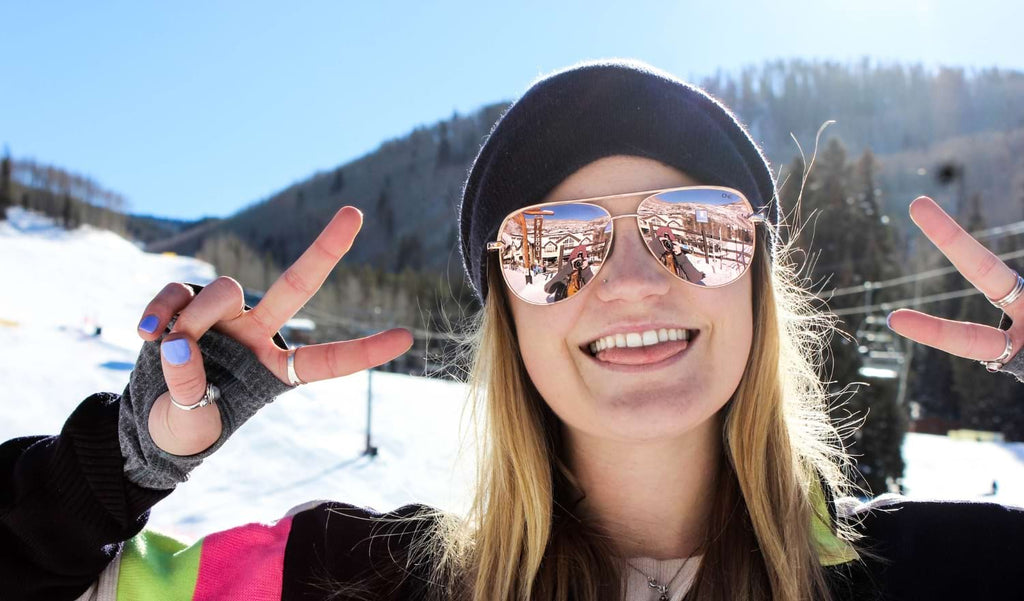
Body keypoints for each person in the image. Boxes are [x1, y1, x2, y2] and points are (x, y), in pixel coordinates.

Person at [4, 59, 1024, 601]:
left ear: (758, 280)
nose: (629, 282)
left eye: (696, 230)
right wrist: (122, 462)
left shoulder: (955, 572)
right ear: (505, 317)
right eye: (553, 248)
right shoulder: (341, 581)